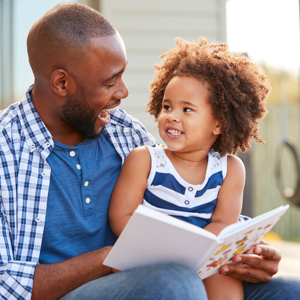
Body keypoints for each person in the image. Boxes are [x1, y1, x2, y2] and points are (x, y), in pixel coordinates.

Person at [0, 2, 298, 300]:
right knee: (176, 283)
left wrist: (247, 251)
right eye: (110, 81)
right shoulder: (5, 149)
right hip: (85, 291)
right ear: (62, 82)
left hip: (157, 280)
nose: (123, 92)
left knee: (291, 292)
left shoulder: (123, 131)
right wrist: (110, 259)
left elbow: (189, 205)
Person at [108, 37, 269, 300]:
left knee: (223, 276)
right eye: (167, 106)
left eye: (187, 109)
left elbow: (223, 223)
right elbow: (121, 217)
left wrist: (193, 249)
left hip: (203, 255)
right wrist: (169, 247)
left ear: (218, 124)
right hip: (149, 256)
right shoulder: (145, 160)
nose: (172, 115)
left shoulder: (230, 169)